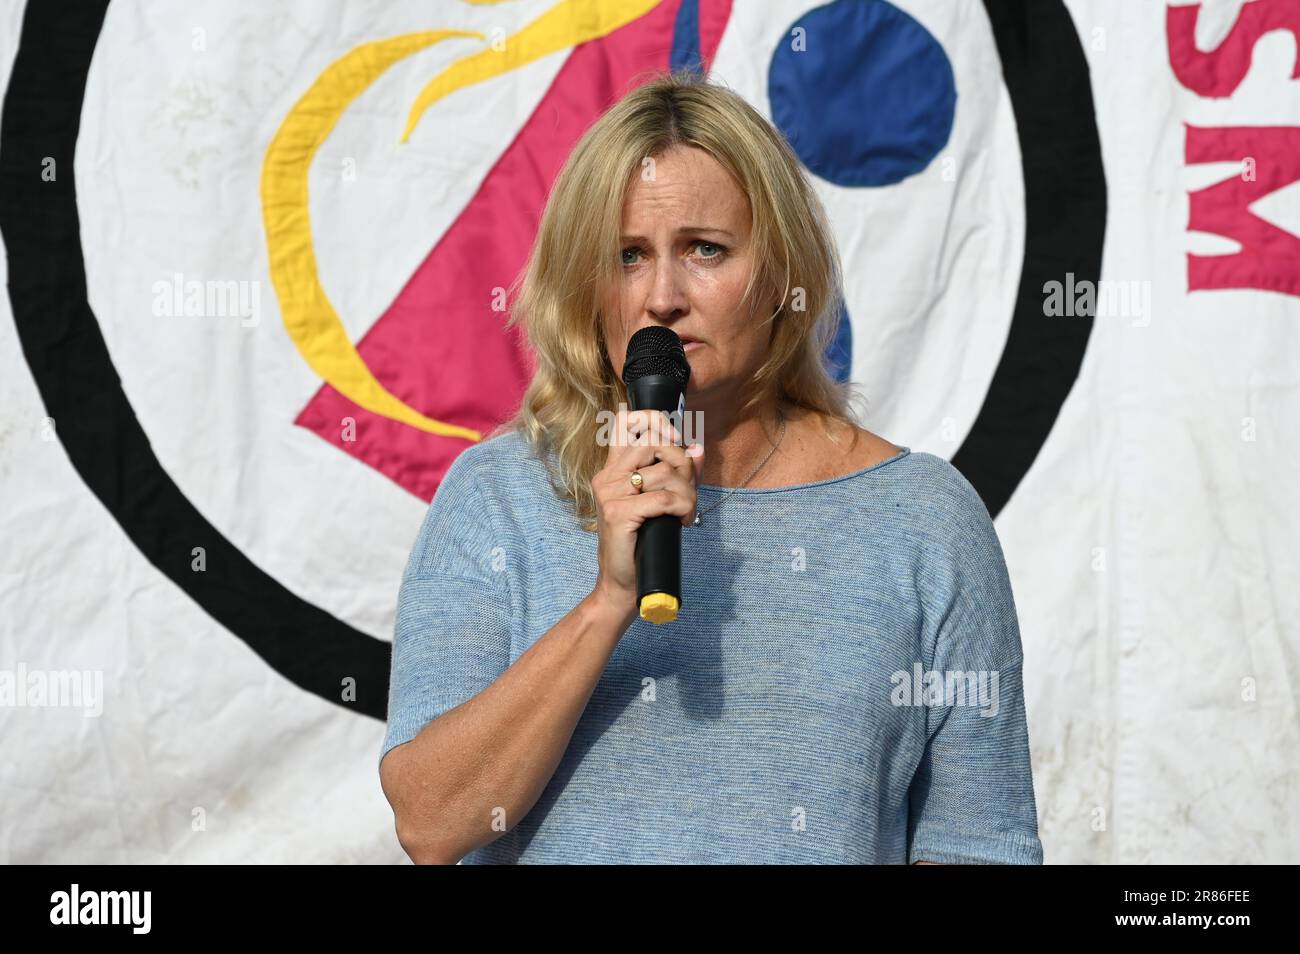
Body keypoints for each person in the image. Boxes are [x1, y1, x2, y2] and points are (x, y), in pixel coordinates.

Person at [378, 69, 1043, 865]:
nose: (662, 295)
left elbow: (978, 844)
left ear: (781, 274)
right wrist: (608, 604)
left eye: (705, 250)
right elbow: (430, 822)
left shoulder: (925, 520)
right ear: (586, 287)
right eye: (627, 255)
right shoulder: (499, 500)